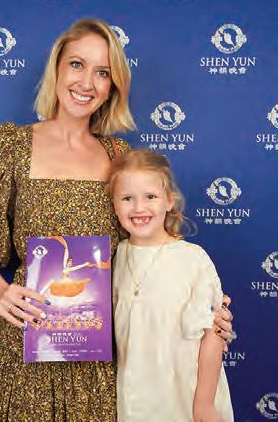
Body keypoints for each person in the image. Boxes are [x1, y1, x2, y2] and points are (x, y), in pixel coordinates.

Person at [0, 19, 233, 422]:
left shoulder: (118, 155)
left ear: (112, 86)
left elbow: (149, 248)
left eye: (102, 72)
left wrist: (204, 307)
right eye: (77, 64)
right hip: (27, 342)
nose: (87, 82)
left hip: (100, 355)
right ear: (57, 68)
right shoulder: (11, 144)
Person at [109, 149, 234, 422]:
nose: (139, 208)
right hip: (135, 399)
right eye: (127, 198)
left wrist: (204, 403)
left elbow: (213, 333)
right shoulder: (115, 257)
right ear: (114, 205)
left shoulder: (192, 259)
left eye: (150, 197)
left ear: (169, 201)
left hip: (188, 396)